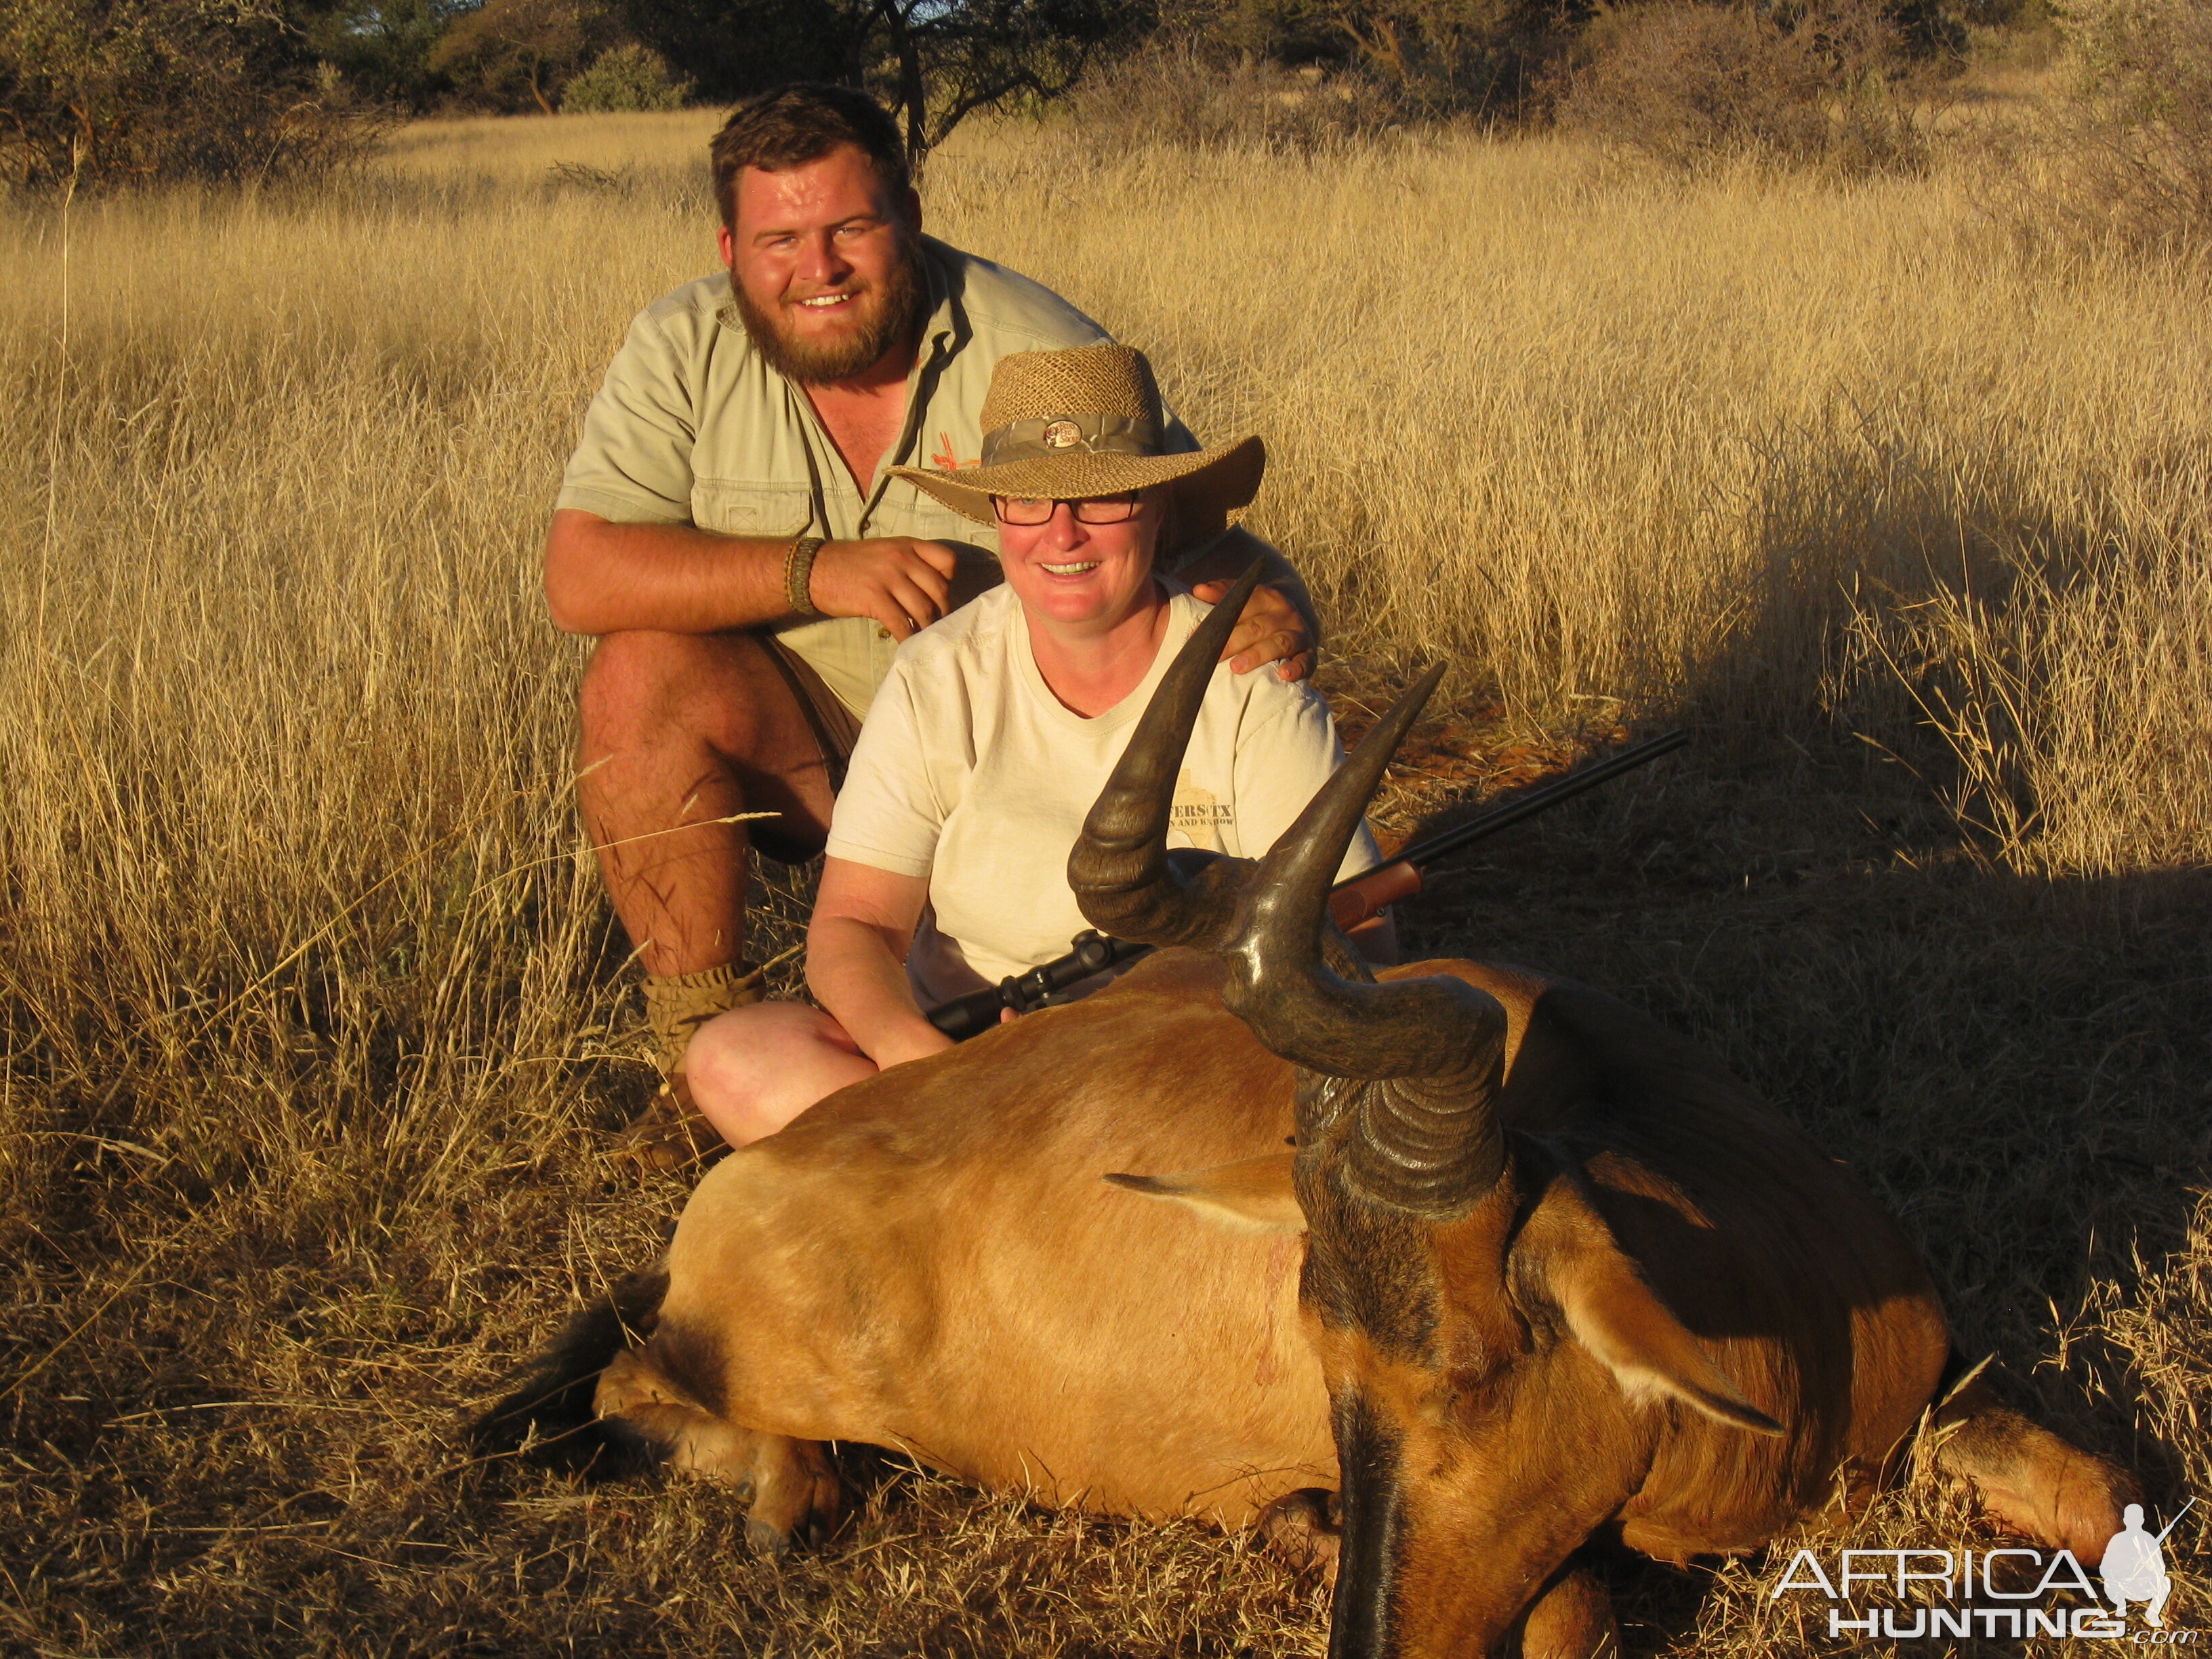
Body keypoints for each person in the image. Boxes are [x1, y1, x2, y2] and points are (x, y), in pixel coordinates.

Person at [542, 83, 1322, 1168]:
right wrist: (818, 572)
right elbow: (580, 577)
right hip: (812, 734)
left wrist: (1275, 606)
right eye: (779, 239)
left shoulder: (1033, 345)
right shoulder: (682, 346)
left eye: (850, 228)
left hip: (990, 753)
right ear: (730, 245)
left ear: (907, 213)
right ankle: (691, 1062)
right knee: (635, 681)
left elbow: (1179, 509)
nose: (817, 269)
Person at [680, 342, 1390, 1147]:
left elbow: (1356, 938)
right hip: (963, 1077)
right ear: (996, 518)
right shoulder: (936, 675)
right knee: (738, 1057)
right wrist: (919, 1058)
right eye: (1029, 504)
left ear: (1159, 512)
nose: (1063, 533)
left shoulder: (1251, 681)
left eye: (1102, 501)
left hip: (1183, 1067)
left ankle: (960, 1219)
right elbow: (855, 929)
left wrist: (1137, 1039)